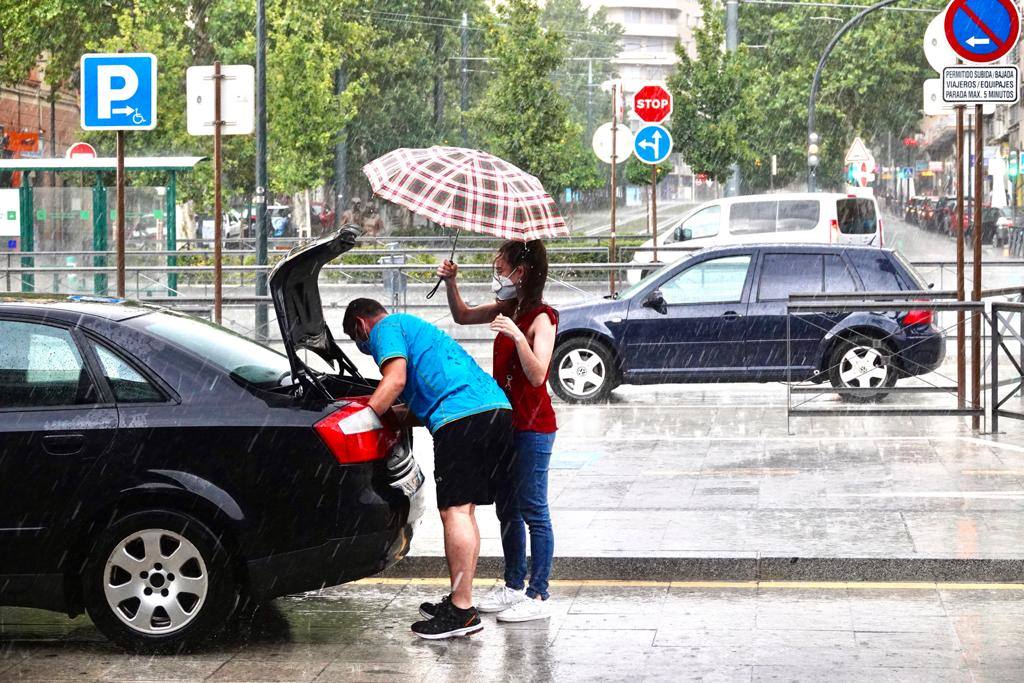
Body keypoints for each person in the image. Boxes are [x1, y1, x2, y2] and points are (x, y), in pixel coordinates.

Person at [342, 299, 514, 639]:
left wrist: (360, 420)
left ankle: (462, 613)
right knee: (464, 511)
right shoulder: (415, 329)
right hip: (494, 411)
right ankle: (460, 600)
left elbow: (394, 381)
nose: (365, 346)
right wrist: (388, 416)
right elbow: (420, 406)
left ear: (361, 324)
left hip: (463, 417)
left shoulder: (385, 329)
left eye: (356, 337)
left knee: (455, 512)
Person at [434, 239, 557, 622]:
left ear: (521, 273)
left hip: (534, 425)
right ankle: (513, 585)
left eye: (501, 268)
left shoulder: (542, 317)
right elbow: (463, 316)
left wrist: (519, 336)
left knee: (533, 508)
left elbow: (538, 375)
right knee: (507, 509)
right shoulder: (509, 308)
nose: (497, 275)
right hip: (504, 423)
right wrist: (451, 282)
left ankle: (538, 596)